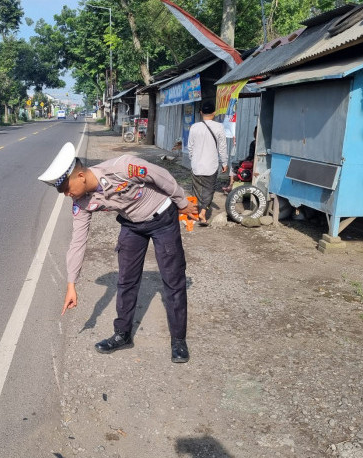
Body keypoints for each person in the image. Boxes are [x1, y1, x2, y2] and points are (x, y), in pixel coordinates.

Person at [38, 143, 199, 363]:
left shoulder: (123, 167)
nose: (66, 195)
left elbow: (161, 175)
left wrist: (182, 202)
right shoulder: (81, 201)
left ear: (81, 176)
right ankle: (122, 334)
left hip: (162, 218)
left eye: (66, 188)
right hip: (132, 225)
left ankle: (178, 340)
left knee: (173, 280)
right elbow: (78, 240)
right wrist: (71, 284)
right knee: (126, 280)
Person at [187, 101, 228, 225]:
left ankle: (193, 213)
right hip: (211, 164)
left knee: (196, 190)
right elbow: (222, 147)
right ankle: (203, 213)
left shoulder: (194, 127)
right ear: (214, 113)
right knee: (209, 189)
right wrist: (224, 162)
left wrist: (193, 159)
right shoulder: (219, 127)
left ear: (201, 113)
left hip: (196, 165)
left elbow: (190, 147)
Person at [223, 125, 256, 193]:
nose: (254, 133)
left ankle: (232, 185)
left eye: (255, 132)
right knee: (234, 165)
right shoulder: (253, 143)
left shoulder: (257, 144)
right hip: (251, 160)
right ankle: (231, 184)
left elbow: (253, 157)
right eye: (254, 131)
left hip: (254, 163)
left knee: (241, 168)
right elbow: (250, 156)